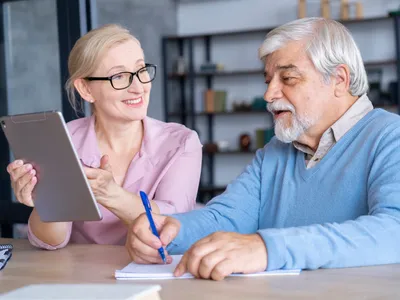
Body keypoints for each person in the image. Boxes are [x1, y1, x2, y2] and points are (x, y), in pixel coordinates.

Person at [126, 17, 400, 280]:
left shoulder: (390, 137)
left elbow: (393, 231)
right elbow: (228, 217)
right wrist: (173, 230)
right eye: (268, 81)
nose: (269, 95)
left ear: (339, 80)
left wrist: (266, 248)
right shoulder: (276, 151)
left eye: (288, 79)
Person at [6, 24, 202, 250]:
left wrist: (112, 195)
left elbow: (174, 229)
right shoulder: (64, 140)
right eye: (119, 76)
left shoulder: (181, 142)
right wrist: (46, 203)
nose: (138, 87)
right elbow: (51, 242)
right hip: (80, 278)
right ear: (86, 90)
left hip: (155, 274)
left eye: (141, 71)